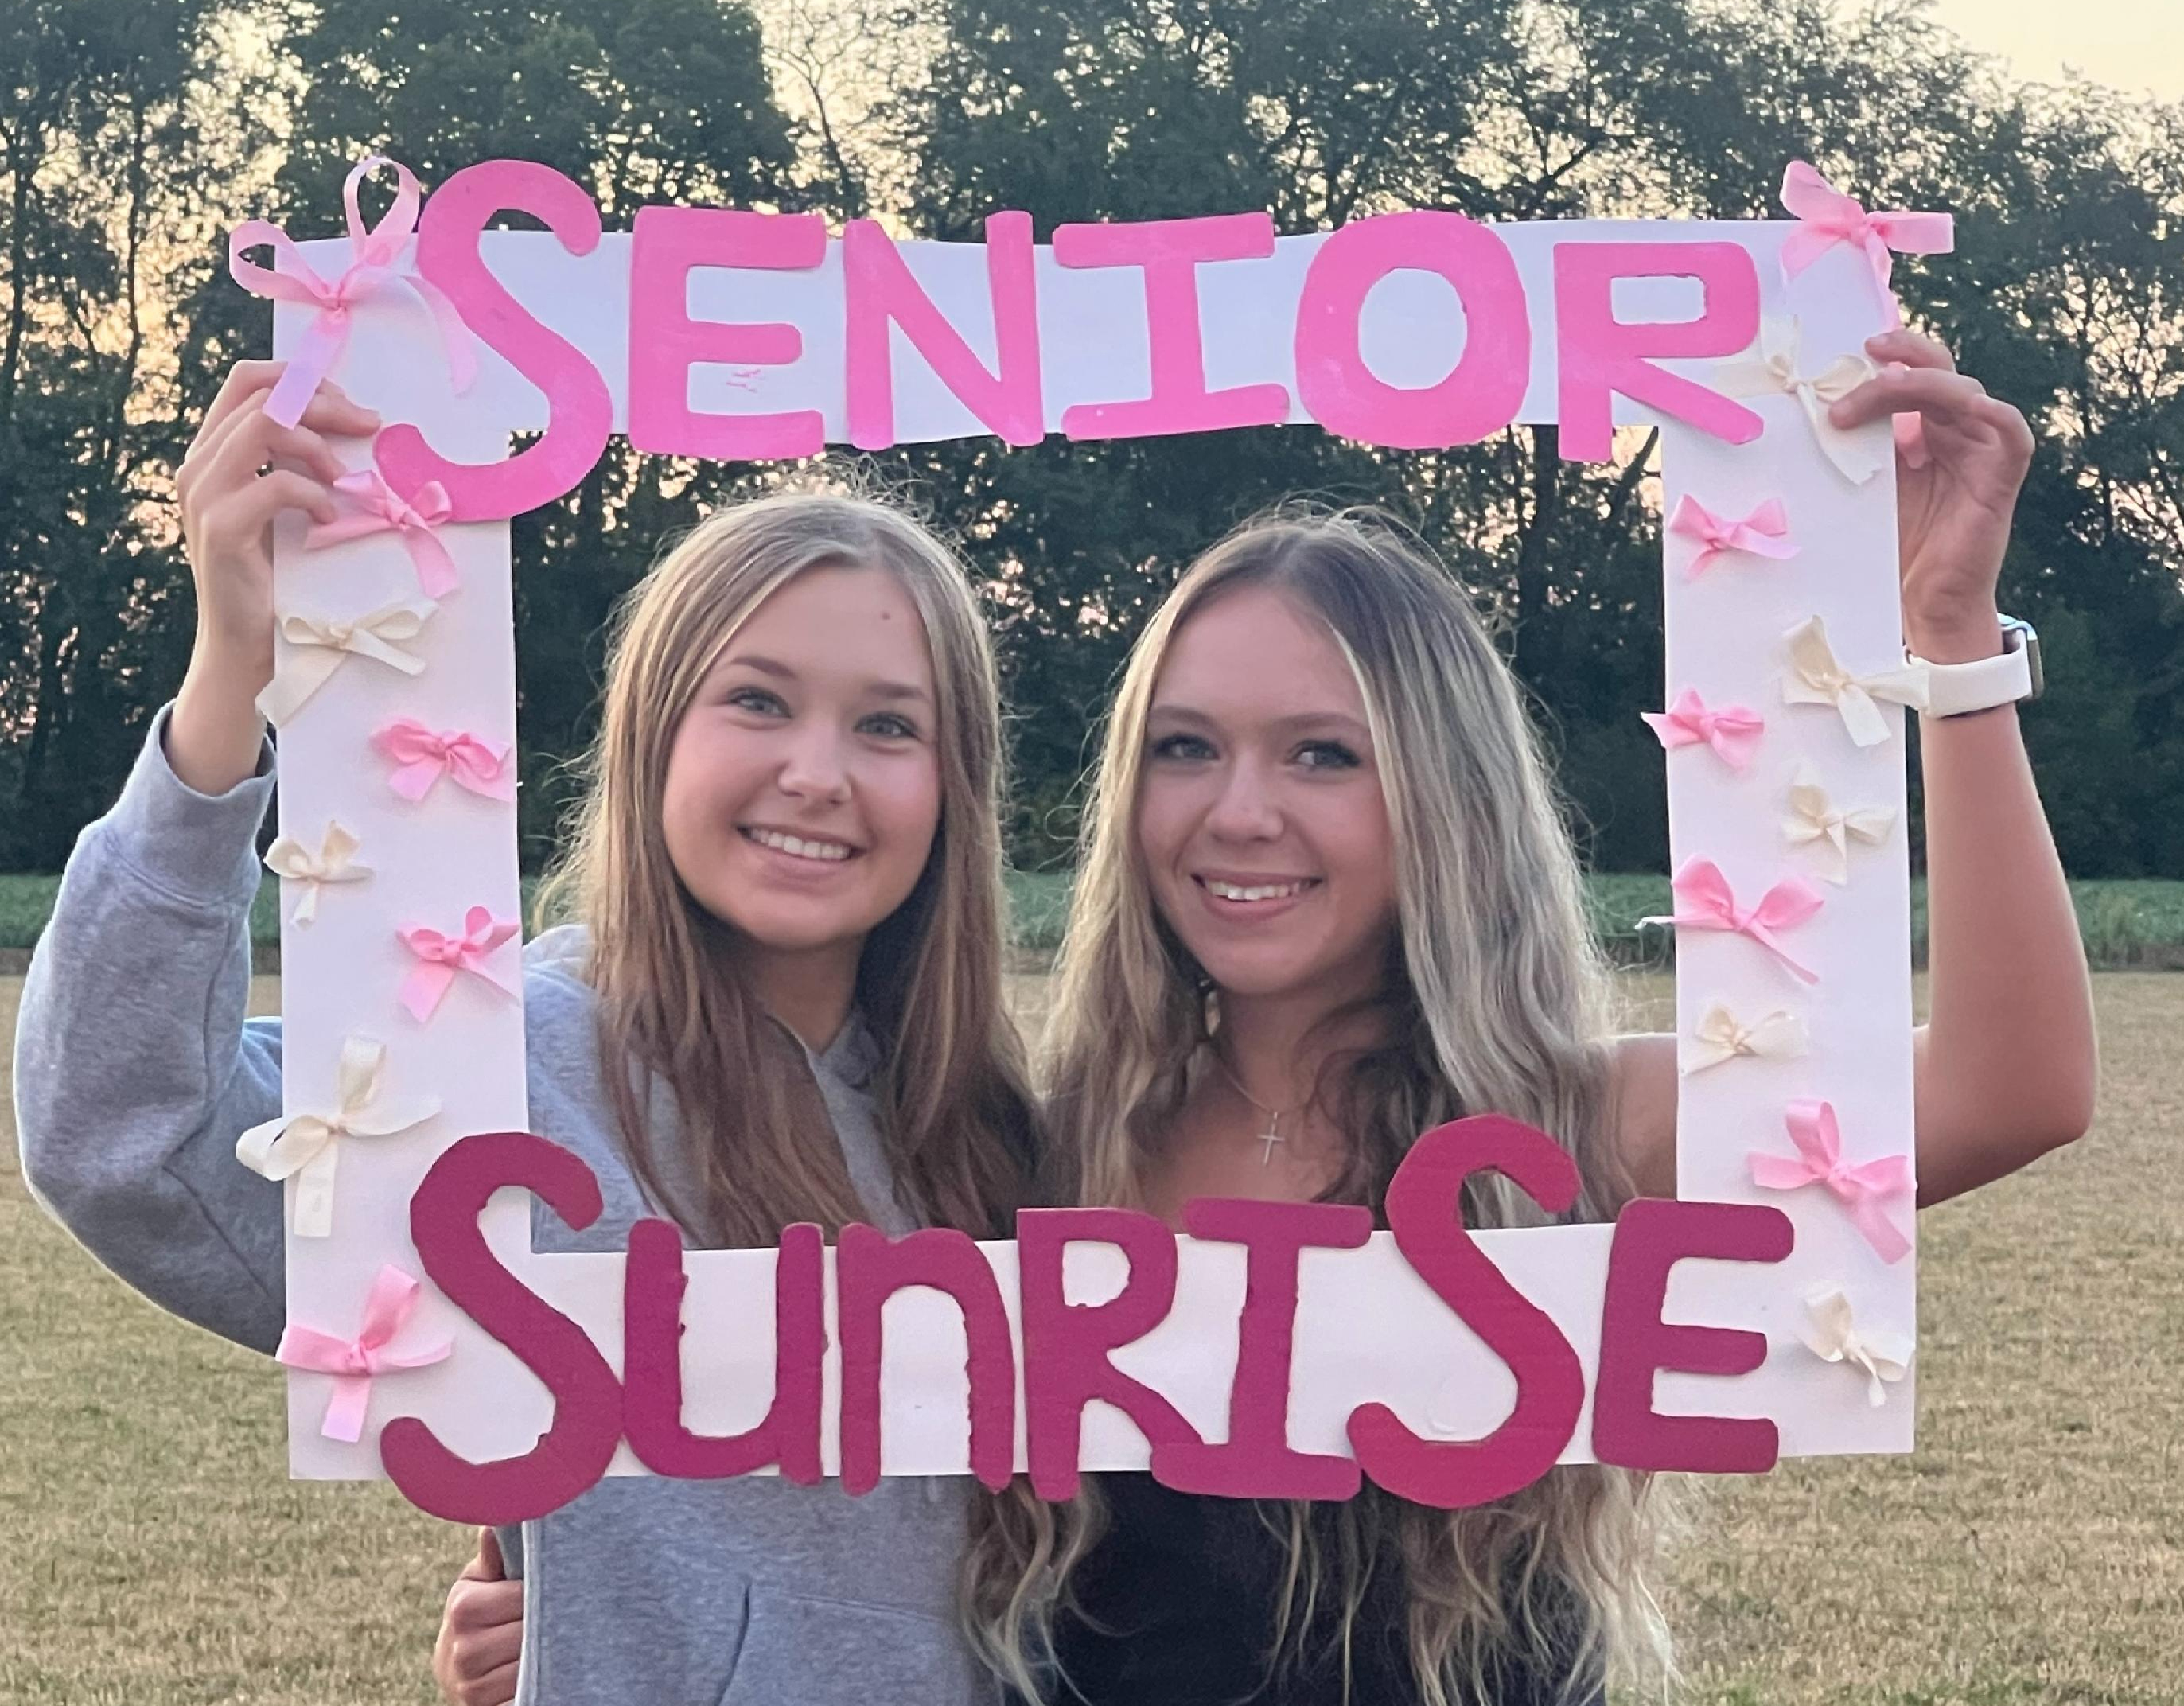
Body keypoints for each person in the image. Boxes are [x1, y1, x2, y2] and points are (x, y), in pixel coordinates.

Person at [438, 327, 2097, 1704]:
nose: (1237, 811)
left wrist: (1945, 641)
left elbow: (2009, 1089)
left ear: (1435, 795)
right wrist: (556, 1601)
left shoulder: (1578, 1122)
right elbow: (819, 1479)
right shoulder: (1042, 1146)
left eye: (1320, 753)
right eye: (1184, 747)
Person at [15, 360, 1041, 1706]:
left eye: (887, 724)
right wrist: (231, 684)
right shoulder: (497, 1070)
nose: (817, 771)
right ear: (651, 737)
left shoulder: (1000, 1139)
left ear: (952, 784)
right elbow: (124, 1136)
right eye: (757, 699)